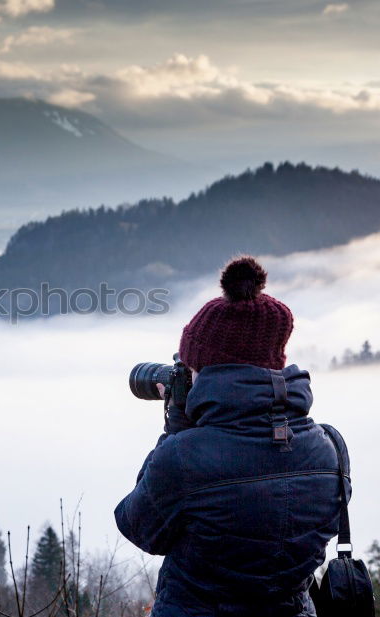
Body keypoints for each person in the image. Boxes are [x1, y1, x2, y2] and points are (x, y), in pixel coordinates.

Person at [114, 256, 348, 617]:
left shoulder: (184, 459)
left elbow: (139, 528)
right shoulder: (329, 450)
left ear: (207, 370)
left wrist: (175, 431)